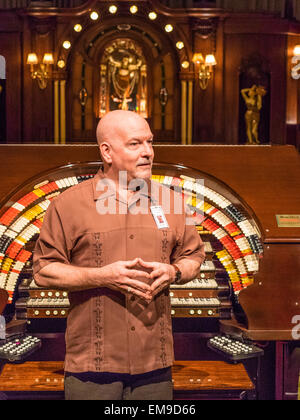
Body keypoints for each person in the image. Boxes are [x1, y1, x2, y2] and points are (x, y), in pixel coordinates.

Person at [33, 110, 205, 400]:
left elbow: (194, 257)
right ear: (107, 152)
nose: (148, 152)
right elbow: (43, 270)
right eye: (135, 144)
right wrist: (102, 275)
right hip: (92, 368)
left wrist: (173, 272)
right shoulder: (68, 204)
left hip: (155, 365)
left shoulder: (171, 201)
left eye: (150, 143)